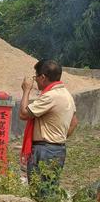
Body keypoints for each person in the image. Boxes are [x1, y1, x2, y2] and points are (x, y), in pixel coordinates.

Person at [19, 59, 77, 193]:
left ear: (43, 77)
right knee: (50, 189)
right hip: (57, 149)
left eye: (36, 77)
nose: (36, 81)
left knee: (39, 192)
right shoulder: (66, 94)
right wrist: (58, 138)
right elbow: (74, 122)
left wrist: (26, 90)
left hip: (44, 150)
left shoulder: (50, 96)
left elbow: (23, 114)